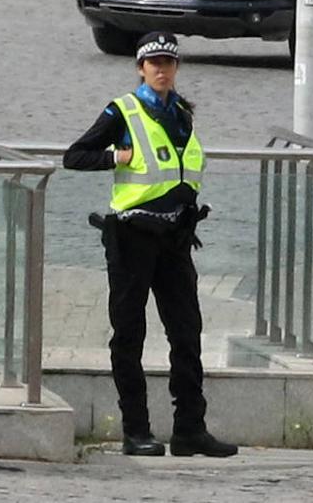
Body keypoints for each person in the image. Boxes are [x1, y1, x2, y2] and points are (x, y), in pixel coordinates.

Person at [63, 31, 236, 459]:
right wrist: (113, 158)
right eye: (153, 62)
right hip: (132, 237)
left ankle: (190, 429)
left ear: (176, 68)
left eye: (168, 62)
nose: (162, 69)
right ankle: (135, 431)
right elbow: (75, 155)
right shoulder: (123, 110)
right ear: (140, 67)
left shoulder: (181, 113)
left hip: (175, 238)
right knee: (129, 333)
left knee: (187, 331)